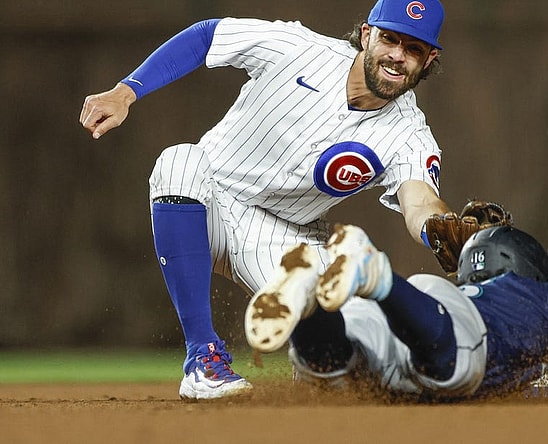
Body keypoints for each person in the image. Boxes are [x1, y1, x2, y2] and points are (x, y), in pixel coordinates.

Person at [79, 0, 454, 400]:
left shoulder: (410, 133)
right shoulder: (297, 47)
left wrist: (444, 230)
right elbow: (209, 35)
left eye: (413, 48)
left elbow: (420, 204)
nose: (397, 55)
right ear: (366, 35)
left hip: (287, 240)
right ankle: (202, 358)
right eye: (389, 39)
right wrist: (127, 91)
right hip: (210, 204)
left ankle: (323, 378)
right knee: (179, 161)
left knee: (347, 355)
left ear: (429, 59)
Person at [245, 223, 548, 401]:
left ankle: (309, 307)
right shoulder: (539, 297)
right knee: (452, 367)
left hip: (406, 312)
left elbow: (546, 388)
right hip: (441, 324)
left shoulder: (471, 295)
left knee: (337, 371)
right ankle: (376, 274)